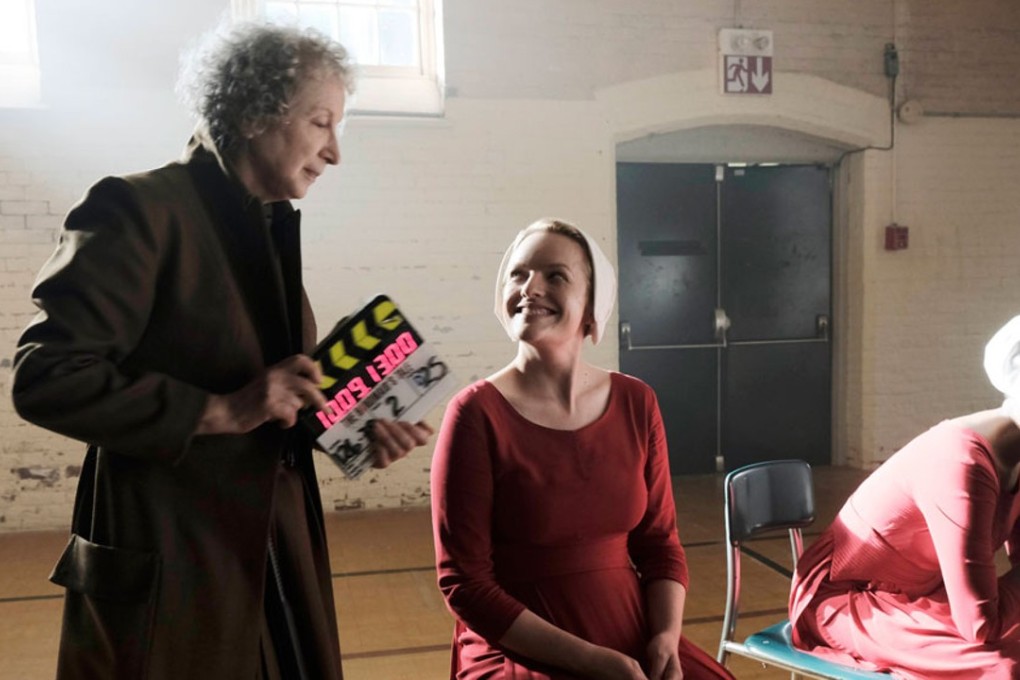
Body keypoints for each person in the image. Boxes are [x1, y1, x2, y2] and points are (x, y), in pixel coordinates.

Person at [11, 22, 432, 680]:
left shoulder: (262, 229)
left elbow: (269, 396)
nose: (334, 152)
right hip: (173, 574)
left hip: (274, 570)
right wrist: (221, 411)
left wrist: (349, 432)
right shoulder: (136, 209)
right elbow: (45, 377)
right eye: (321, 123)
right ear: (255, 112)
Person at [430, 218, 734, 680]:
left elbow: (659, 545)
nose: (530, 287)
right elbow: (465, 584)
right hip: (517, 646)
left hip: (630, 634)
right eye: (518, 274)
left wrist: (666, 638)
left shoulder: (637, 402)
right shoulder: (474, 414)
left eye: (555, 275)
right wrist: (591, 662)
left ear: (593, 306)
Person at [788, 315, 1020, 679]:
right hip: (849, 601)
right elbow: (980, 624)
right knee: (1003, 665)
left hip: (927, 596)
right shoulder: (959, 462)